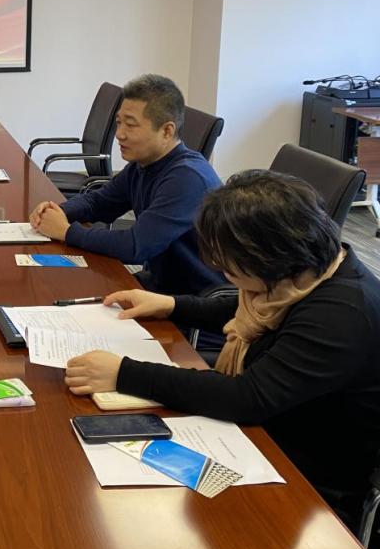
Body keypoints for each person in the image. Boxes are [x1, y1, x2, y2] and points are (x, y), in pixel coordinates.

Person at [64, 170, 380, 528]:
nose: (224, 274)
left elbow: (246, 397)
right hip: (267, 430)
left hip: (305, 478)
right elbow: (243, 309)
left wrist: (124, 373)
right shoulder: (304, 273)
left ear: (268, 257)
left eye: (230, 267)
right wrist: (170, 305)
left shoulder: (342, 313)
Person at [30, 74, 224, 295]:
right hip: (160, 285)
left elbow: (136, 246)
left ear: (167, 131)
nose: (119, 134)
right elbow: (99, 202)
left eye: (130, 125)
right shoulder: (144, 164)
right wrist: (57, 211)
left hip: (195, 300)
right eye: (119, 123)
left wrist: (66, 232)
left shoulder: (187, 178)